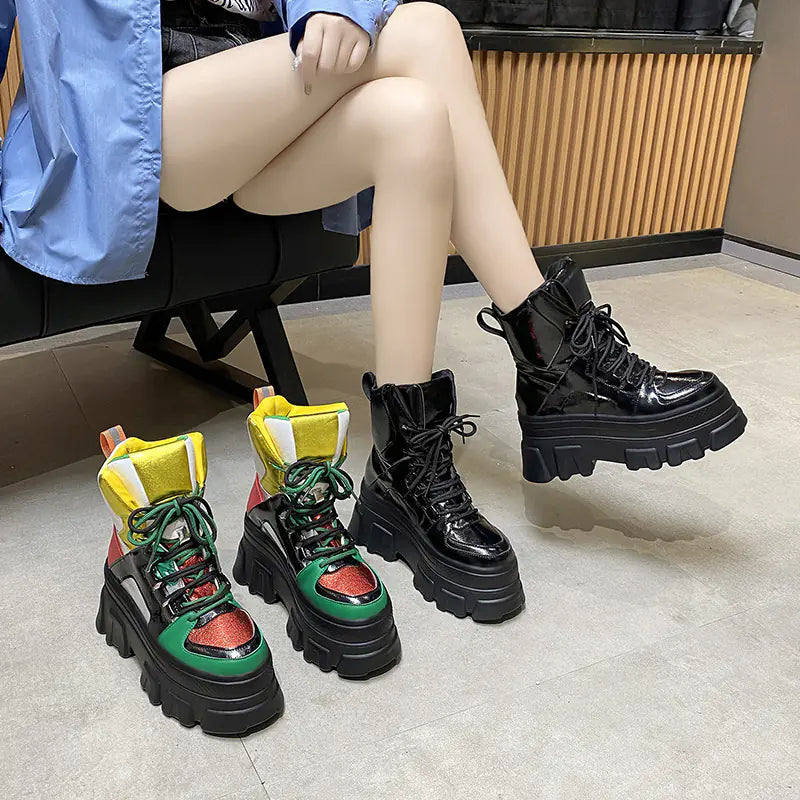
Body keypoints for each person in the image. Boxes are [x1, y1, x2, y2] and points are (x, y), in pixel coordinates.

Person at [0, 0, 746, 620]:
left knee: (413, 114)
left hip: (272, 101)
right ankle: (556, 357)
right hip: (148, 122)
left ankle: (406, 468)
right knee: (426, 30)